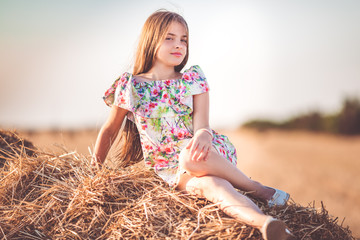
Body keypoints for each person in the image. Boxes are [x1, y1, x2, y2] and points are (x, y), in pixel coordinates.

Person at [92, 10, 293, 240]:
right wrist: (93, 174)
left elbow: (202, 126)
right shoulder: (131, 86)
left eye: (183, 40)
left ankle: (257, 189)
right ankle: (268, 225)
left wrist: (204, 135)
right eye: (169, 38)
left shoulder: (192, 80)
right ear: (150, 40)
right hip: (167, 168)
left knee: (189, 157)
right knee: (212, 187)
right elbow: (110, 129)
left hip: (206, 151)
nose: (178, 45)